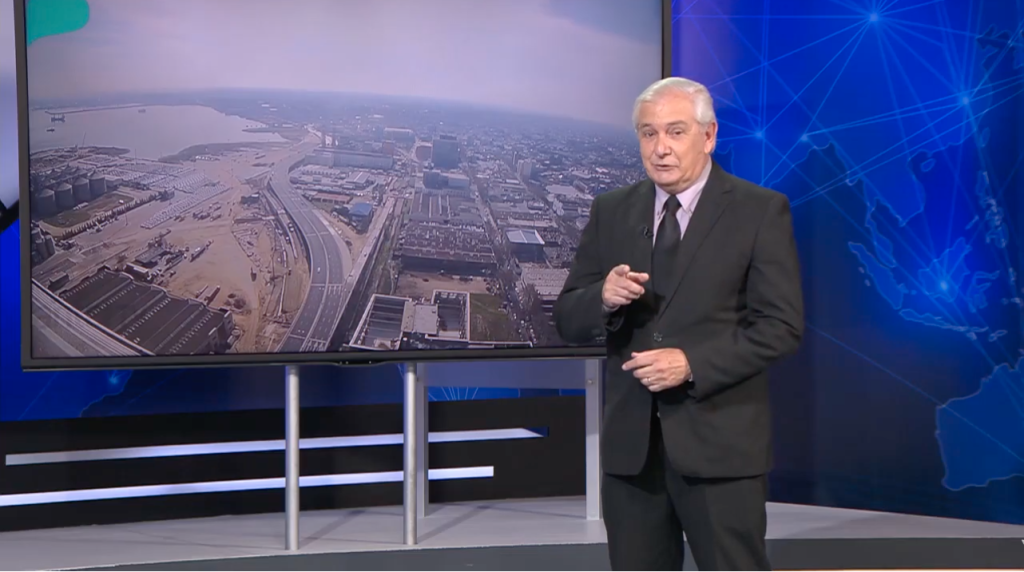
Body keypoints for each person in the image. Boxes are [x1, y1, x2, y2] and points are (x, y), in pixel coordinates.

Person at [554, 76, 804, 571]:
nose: (660, 148)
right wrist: (602, 298)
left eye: (675, 132)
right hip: (632, 455)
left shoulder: (759, 211)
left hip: (720, 450)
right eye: (648, 133)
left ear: (708, 136)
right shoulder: (612, 210)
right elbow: (566, 318)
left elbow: (781, 326)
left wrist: (691, 363)